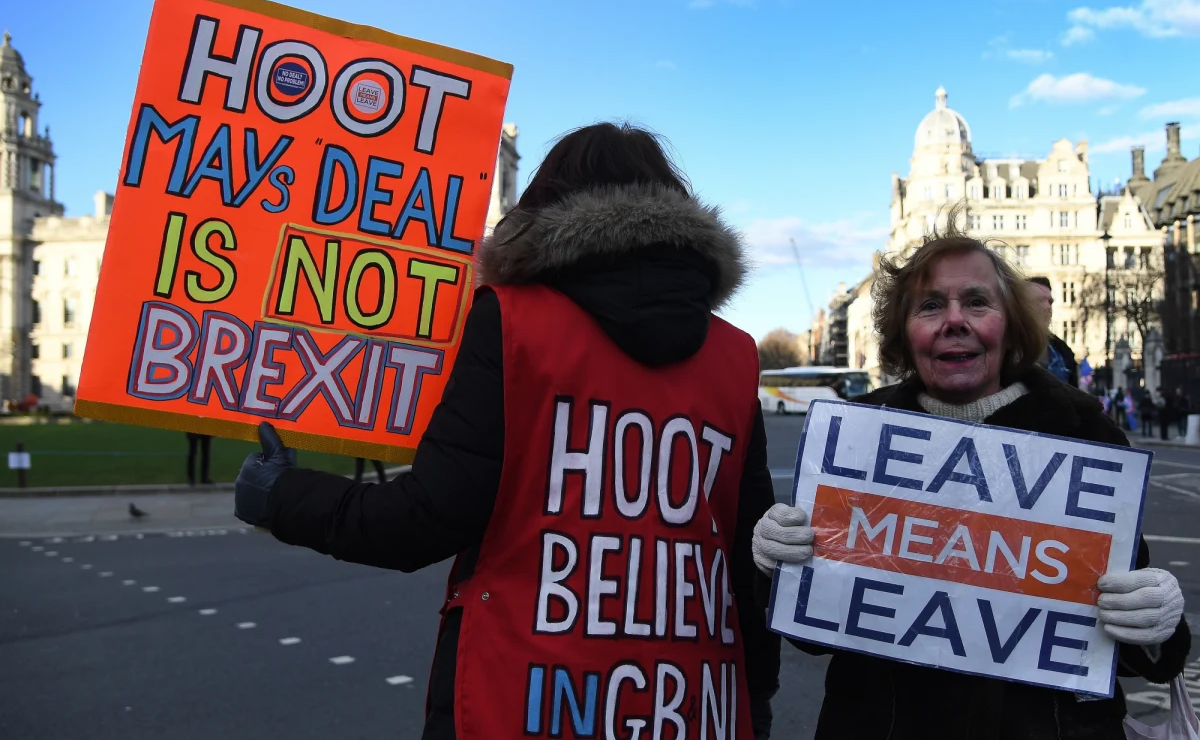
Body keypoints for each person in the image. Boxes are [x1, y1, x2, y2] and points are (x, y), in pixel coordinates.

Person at [233, 123, 781, 739]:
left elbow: (424, 518)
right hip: (688, 703)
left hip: (523, 693)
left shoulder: (511, 322)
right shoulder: (736, 357)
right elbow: (752, 558)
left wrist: (281, 495)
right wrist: (756, 695)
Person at [752, 218, 1189, 739]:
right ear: (904, 332)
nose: (954, 320)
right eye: (930, 306)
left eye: (977, 302)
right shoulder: (854, 438)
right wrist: (780, 568)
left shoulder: (1087, 435)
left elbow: (1141, 654)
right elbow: (814, 635)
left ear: (1011, 326)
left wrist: (1154, 624)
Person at [1026, 276, 1078, 386]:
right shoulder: (1006, 349)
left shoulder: (1063, 352)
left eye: (1050, 302)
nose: (1047, 307)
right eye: (1040, 300)